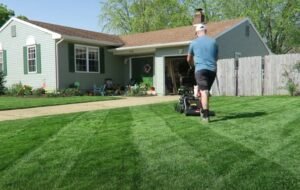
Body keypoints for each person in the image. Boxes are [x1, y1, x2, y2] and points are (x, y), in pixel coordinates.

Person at [187, 23, 218, 122]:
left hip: (200, 69)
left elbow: (188, 59)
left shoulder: (194, 43)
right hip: (212, 70)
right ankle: (202, 109)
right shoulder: (214, 42)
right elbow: (216, 57)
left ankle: (205, 115)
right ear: (206, 31)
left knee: (204, 91)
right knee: (205, 91)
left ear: (197, 33)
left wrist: (192, 65)